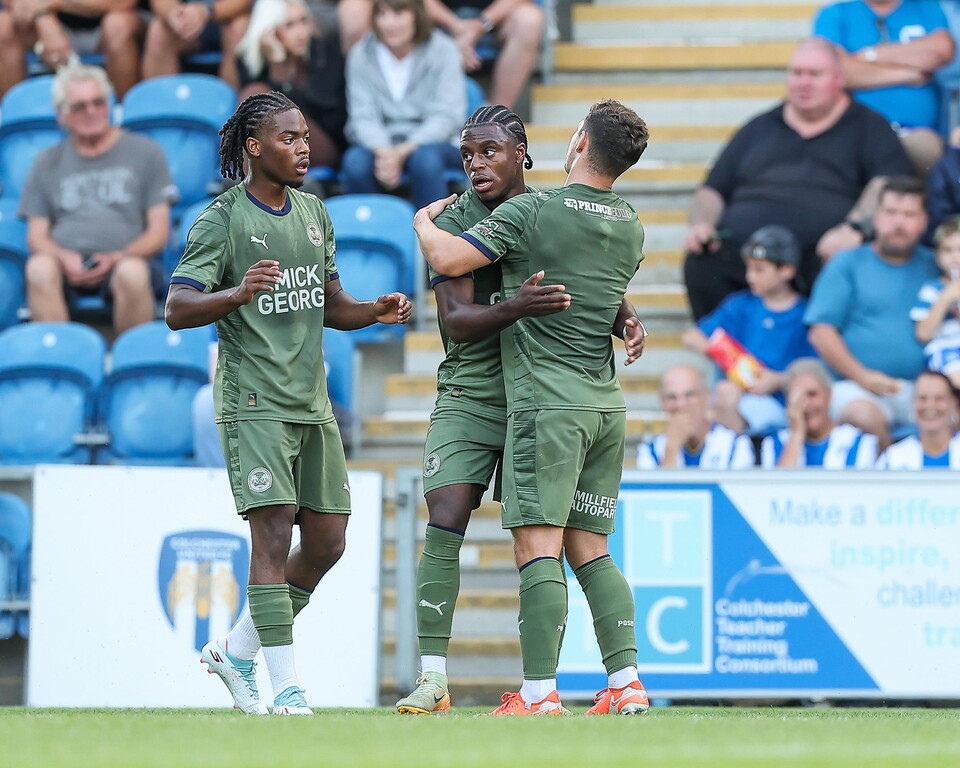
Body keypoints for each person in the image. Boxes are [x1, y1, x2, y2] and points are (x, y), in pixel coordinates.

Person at [165, 91, 411, 715]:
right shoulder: (220, 220)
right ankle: (288, 689)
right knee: (271, 536)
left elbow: (331, 304)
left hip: (312, 400)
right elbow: (177, 308)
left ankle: (236, 650)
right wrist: (236, 292)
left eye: (304, 137)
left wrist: (371, 313)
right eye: (288, 138)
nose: (303, 148)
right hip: (254, 400)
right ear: (254, 147)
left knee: (328, 542)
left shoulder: (313, 212)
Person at [395, 105, 646, 715]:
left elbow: (582, 279)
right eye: (467, 155)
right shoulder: (472, 215)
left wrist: (624, 314)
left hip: (537, 399)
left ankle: (540, 694)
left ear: (524, 152)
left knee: (546, 545)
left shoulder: (539, 210)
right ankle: (434, 677)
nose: (477, 165)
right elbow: (455, 318)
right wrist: (520, 305)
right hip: (482, 392)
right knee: (451, 518)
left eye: (490, 152)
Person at [682, 37, 913, 321]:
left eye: (815, 75)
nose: (803, 83)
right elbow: (712, 190)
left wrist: (855, 229)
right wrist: (702, 225)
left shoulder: (869, 127)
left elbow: (889, 183)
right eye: (797, 73)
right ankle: (729, 356)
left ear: (840, 79)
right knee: (702, 262)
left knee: (842, 266)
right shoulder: (759, 128)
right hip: (747, 254)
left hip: (819, 256)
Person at [19, 64, 174, 335]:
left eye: (98, 102)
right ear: (61, 115)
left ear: (110, 104)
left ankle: (131, 362)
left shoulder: (146, 152)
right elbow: (36, 236)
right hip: (65, 264)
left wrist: (118, 257)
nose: (91, 112)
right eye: (79, 106)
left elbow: (158, 232)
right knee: (39, 266)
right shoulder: (45, 162)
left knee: (132, 272)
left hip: (128, 259)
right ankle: (62, 363)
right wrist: (62, 256)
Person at [806, 175, 941, 448]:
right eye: (890, 212)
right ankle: (890, 484)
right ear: (876, 216)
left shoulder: (937, 264)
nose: (898, 223)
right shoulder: (846, 263)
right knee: (862, 416)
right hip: (857, 387)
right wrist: (863, 377)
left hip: (928, 390)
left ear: (923, 221)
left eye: (909, 214)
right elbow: (821, 333)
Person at [682, 225, 817, 437]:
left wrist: (779, 380)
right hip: (736, 397)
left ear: (787, 270)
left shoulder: (805, 315)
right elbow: (692, 337)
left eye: (759, 269)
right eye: (749, 268)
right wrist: (730, 358)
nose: (750, 276)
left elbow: (818, 371)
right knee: (723, 393)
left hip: (783, 406)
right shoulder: (740, 305)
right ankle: (737, 456)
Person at [342, 0, 465, 209]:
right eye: (382, 14)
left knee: (425, 160)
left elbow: (448, 116)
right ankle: (372, 236)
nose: (389, 23)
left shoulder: (444, 50)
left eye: (398, 13)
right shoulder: (361, 55)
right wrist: (385, 152)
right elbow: (362, 117)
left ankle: (431, 237)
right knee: (355, 162)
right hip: (381, 144)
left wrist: (402, 152)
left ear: (416, 14)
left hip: (433, 142)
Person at [814, 0, 955, 177]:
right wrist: (908, 75)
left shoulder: (926, 6)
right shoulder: (836, 13)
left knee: (926, 149)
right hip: (855, 134)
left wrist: (867, 56)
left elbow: (941, 50)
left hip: (916, 137)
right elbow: (834, 70)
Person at [235, 0, 347, 170]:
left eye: (303, 21)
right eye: (289, 25)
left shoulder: (326, 57)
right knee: (255, 94)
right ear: (269, 30)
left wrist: (283, 77)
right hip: (276, 150)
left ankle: (250, 187)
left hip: (321, 145)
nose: (300, 32)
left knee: (263, 99)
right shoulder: (251, 63)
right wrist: (277, 65)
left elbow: (331, 121)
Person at [0, 0, 144, 97]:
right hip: (46, 23)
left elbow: (124, 2)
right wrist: (43, 19)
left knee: (118, 26)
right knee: (3, 25)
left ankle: (124, 114)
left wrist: (51, 2)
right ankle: (13, 116)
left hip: (110, 23)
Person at [423, 0, 543, 111]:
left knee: (529, 20)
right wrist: (456, 26)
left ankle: (496, 119)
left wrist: (479, 25)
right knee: (408, 14)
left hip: (496, 18)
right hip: (437, 20)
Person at [760, 358, 879, 468]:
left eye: (812, 394)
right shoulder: (775, 444)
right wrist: (796, 434)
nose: (805, 404)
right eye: (797, 397)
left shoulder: (858, 443)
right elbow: (779, 488)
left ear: (829, 395)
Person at [637, 364, 755, 470]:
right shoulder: (649, 451)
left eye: (690, 395)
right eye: (672, 397)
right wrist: (671, 450)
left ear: (707, 397)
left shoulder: (735, 445)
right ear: (662, 402)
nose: (681, 404)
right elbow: (655, 493)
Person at [142, 0, 252, 88]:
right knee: (159, 30)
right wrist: (176, 16)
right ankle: (161, 108)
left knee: (238, 27)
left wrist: (206, 11)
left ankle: (234, 110)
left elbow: (244, 3)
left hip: (230, 18)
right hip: (191, 22)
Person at [912, 214, 960, 388]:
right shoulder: (933, 289)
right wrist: (945, 299)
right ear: (937, 256)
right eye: (948, 250)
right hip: (945, 351)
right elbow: (923, 334)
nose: (955, 257)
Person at [876, 369, 960, 467]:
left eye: (939, 398)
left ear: (953, 403)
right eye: (922, 398)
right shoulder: (893, 458)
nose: (930, 405)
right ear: (913, 402)